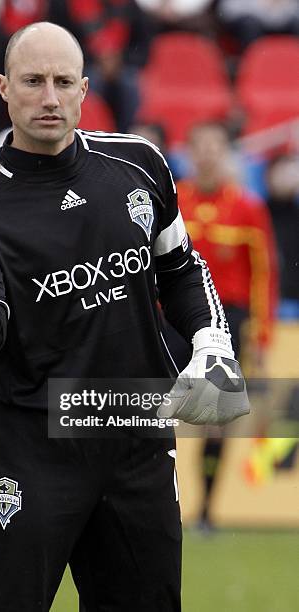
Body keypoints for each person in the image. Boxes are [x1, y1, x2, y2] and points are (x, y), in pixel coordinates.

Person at [0, 22, 249, 611]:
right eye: (33, 81)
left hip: (133, 440)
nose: (50, 97)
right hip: (29, 453)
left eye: (64, 81)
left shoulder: (140, 165)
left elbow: (182, 268)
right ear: (4, 88)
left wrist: (211, 339)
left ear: (86, 89)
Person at [173, 121, 278, 530]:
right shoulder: (174, 200)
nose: (208, 155)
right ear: (189, 152)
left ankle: (206, 512)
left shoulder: (248, 208)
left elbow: (264, 276)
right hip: (173, 317)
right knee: (147, 409)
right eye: (200, 146)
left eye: (216, 146)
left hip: (225, 322)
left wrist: (263, 335)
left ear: (227, 154)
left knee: (213, 419)